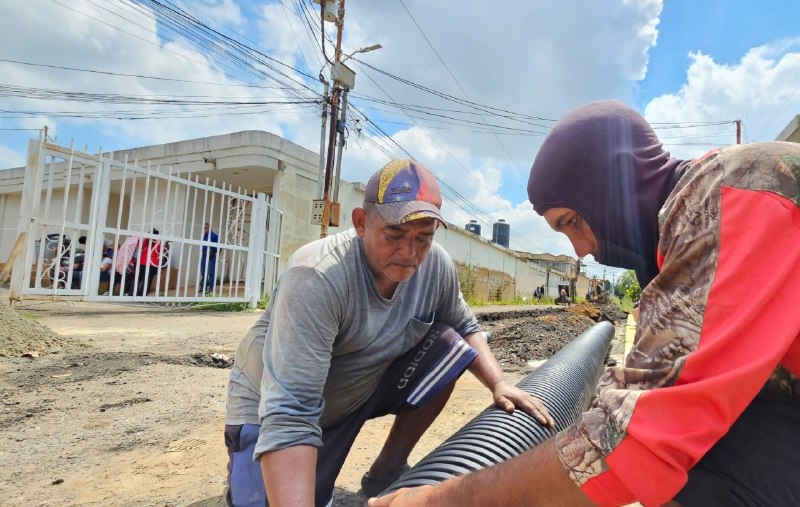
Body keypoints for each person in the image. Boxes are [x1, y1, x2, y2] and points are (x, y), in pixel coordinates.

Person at [370, 100, 800, 507]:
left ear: (618, 182)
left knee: (688, 464)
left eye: (573, 221)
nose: (580, 249)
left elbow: (637, 442)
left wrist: (437, 499)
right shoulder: (696, 214)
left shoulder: (727, 198)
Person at [224, 159, 554, 507]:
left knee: (450, 350)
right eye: (394, 235)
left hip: (356, 393)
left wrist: (499, 383)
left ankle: (387, 469)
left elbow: (464, 326)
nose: (409, 253)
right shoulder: (318, 277)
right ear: (361, 223)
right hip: (272, 407)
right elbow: (290, 411)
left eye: (423, 238)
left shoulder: (435, 265)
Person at [135, 228, 165, 296]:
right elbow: (162, 252)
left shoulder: (146, 240)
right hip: (152, 264)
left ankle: (134, 293)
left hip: (142, 262)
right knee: (147, 280)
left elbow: (141, 247)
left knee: (138, 278)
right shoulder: (158, 243)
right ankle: (143, 295)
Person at [200, 222, 219, 293]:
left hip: (211, 256)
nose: (204, 229)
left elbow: (219, 246)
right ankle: (203, 288)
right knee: (203, 272)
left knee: (211, 273)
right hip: (204, 255)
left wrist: (214, 253)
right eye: (203, 228)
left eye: (205, 228)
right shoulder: (204, 236)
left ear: (209, 228)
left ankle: (211, 288)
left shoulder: (214, 236)